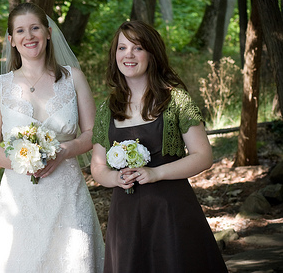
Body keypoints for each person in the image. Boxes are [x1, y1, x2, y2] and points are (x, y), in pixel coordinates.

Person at [91, 20, 228, 273]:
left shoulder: (176, 100)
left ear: (152, 53)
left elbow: (203, 155)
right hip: (126, 217)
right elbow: (97, 166)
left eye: (138, 48)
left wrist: (157, 173)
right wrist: (114, 177)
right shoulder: (106, 109)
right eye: (122, 48)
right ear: (115, 56)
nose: (128, 55)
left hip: (171, 211)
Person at [0, 3, 105, 272]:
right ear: (12, 40)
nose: (29, 36)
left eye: (35, 28)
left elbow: (93, 133)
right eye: (21, 30)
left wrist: (65, 150)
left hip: (67, 192)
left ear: (48, 33)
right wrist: (23, 161)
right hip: (19, 198)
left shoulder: (74, 78)